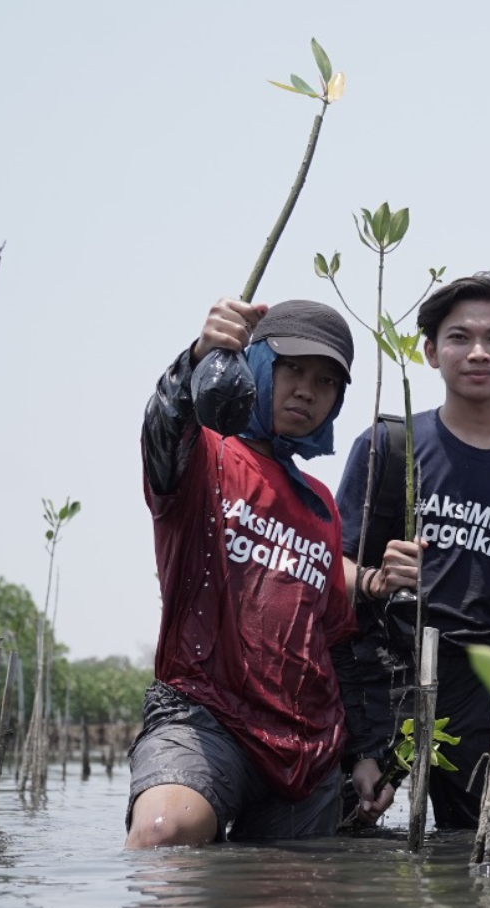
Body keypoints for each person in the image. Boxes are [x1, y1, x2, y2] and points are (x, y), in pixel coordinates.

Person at [128, 296, 373, 847]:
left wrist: (363, 753)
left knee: (292, 894)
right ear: (257, 364)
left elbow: (335, 642)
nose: (306, 391)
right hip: (204, 717)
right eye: (292, 370)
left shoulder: (322, 505)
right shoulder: (205, 456)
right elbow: (164, 427)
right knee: (165, 833)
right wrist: (198, 359)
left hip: (308, 748)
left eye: (326, 382)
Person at [333, 272, 490, 830]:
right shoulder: (388, 446)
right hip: (385, 674)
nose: (478, 352)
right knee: (348, 834)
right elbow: (331, 568)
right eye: (460, 337)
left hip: (481, 691)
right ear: (431, 352)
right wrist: (375, 580)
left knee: (472, 849)